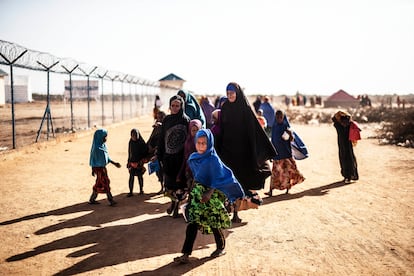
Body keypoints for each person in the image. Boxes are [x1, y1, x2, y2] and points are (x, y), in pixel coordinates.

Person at [173, 129, 245, 264]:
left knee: (214, 223)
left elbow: (218, 179)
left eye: (204, 143)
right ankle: (185, 254)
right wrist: (191, 192)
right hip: (198, 194)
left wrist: (209, 193)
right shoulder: (194, 158)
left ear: (210, 143)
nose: (201, 145)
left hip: (211, 196)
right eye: (198, 143)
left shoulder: (213, 159)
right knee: (193, 223)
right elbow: (197, 177)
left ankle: (221, 247)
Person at [216, 82, 277, 223]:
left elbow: (254, 130)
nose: (230, 95)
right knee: (229, 182)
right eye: (228, 92)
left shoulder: (245, 109)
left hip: (242, 154)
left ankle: (236, 212)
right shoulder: (224, 108)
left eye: (232, 92)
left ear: (237, 93)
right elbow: (222, 128)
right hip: (227, 152)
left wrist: (261, 150)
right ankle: (229, 210)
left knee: (240, 182)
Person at [155, 95, 190, 217]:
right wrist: (158, 154)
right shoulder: (167, 120)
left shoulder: (186, 120)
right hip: (168, 157)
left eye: (177, 105)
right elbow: (161, 138)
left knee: (180, 184)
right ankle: (172, 203)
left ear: (182, 106)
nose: (175, 108)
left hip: (180, 159)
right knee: (169, 183)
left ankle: (176, 207)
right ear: (170, 106)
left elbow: (188, 140)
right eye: (173, 105)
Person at [265, 110, 305, 196]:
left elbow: (292, 140)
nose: (279, 118)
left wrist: (290, 134)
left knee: (287, 172)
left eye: (280, 117)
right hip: (277, 154)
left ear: (283, 117)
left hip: (286, 154)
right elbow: (273, 141)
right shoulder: (274, 127)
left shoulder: (286, 127)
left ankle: (287, 189)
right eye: (277, 117)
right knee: (275, 173)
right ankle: (270, 191)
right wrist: (271, 153)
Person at [88, 128, 121, 206]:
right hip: (99, 169)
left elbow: (106, 158)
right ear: (99, 137)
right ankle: (110, 199)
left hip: (103, 169)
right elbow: (93, 160)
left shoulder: (103, 146)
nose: (106, 138)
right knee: (105, 183)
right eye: (104, 137)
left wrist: (114, 163)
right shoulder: (96, 148)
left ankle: (92, 199)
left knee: (99, 183)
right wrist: (93, 169)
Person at [332, 110, 359, 183]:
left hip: (341, 144)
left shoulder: (337, 125)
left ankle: (347, 176)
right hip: (348, 143)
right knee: (350, 158)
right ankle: (350, 175)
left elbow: (333, 119)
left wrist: (339, 113)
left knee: (344, 159)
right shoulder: (349, 124)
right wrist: (347, 115)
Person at [177, 119, 203, 191]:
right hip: (189, 171)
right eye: (193, 130)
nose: (195, 133)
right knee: (191, 191)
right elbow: (185, 158)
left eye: (197, 130)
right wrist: (180, 173)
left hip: (200, 172)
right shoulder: (188, 142)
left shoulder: (203, 143)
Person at [147, 110, 167, 194]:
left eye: (161, 117)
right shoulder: (156, 128)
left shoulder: (165, 127)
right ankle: (162, 186)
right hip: (155, 153)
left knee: (164, 171)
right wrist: (150, 147)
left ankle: (165, 187)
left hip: (163, 153)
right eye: (158, 117)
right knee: (158, 171)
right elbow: (151, 138)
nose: (159, 119)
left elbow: (165, 141)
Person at [127, 128, 148, 196]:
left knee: (140, 177)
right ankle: (130, 191)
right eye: (133, 135)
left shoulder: (141, 143)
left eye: (136, 135)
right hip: (132, 162)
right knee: (131, 177)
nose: (134, 137)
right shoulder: (131, 142)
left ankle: (141, 190)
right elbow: (130, 153)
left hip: (139, 163)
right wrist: (129, 162)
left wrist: (141, 162)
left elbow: (145, 153)